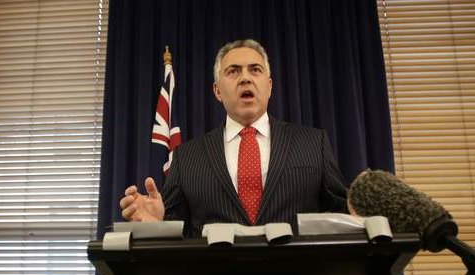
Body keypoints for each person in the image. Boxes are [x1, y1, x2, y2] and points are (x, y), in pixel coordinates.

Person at [120, 39, 347, 238]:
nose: (245, 78)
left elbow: (342, 215)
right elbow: (178, 230)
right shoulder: (185, 157)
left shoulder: (314, 143)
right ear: (218, 91)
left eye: (255, 70)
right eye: (234, 71)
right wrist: (158, 221)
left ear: (269, 86)